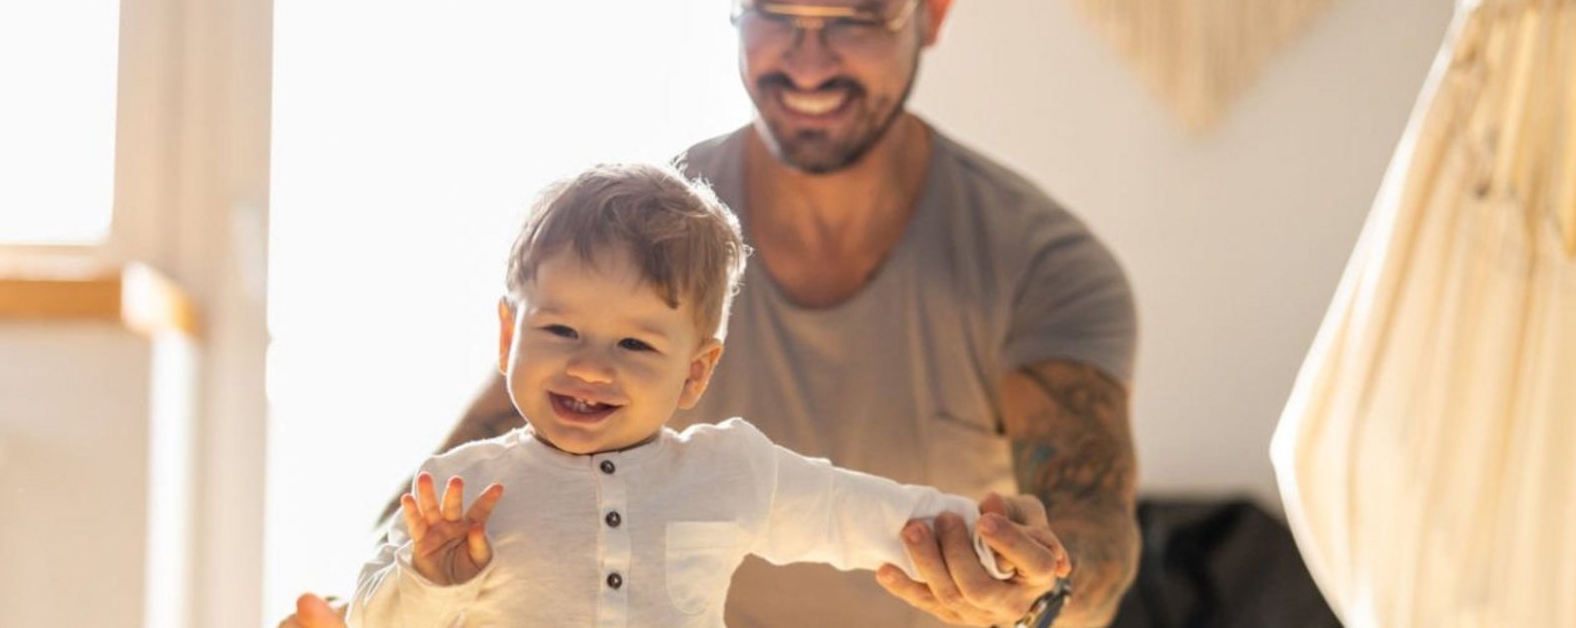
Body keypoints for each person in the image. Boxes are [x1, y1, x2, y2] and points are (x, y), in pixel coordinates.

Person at [286, 0, 1140, 625]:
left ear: (933, 9)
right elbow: (441, 502)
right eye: (772, 8)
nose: (807, 61)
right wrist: (379, 594)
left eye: (854, 19)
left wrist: (1037, 585)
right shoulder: (639, 241)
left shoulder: (1041, 266)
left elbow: (1091, 534)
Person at [347, 163, 1067, 626]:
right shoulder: (459, 491)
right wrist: (429, 580)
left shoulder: (728, 469)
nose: (590, 367)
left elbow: (852, 512)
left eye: (634, 345)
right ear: (508, 336)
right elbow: (365, 620)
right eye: (561, 329)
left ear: (696, 371)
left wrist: (987, 543)